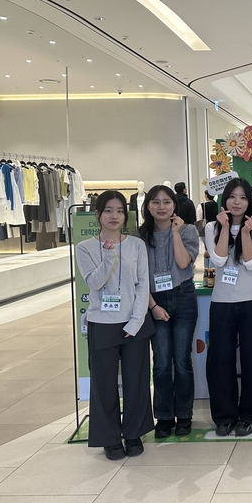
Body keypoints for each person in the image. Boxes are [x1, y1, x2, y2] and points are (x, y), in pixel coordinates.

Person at [75, 190, 154, 460]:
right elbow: (94, 283)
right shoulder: (84, 248)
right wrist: (109, 257)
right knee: (104, 385)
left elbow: (143, 285)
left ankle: (134, 433)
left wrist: (136, 320)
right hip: (102, 323)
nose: (114, 216)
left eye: (120, 211)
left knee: (137, 382)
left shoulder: (136, 245)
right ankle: (109, 438)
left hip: (134, 323)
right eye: (108, 210)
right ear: (98, 214)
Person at [205, 178, 252, 436]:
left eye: (243, 197)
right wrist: (225, 229)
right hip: (222, 302)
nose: (237, 202)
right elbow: (219, 260)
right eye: (232, 196)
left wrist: (244, 233)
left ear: (249, 201)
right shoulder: (212, 227)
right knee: (220, 360)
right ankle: (225, 416)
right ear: (225, 199)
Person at [135, 185, 199, 439]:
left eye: (166, 202)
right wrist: (153, 306)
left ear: (174, 205)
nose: (161, 207)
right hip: (154, 300)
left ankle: (184, 414)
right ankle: (163, 415)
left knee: (182, 360)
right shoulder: (139, 237)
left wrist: (174, 232)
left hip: (183, 296)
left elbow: (183, 263)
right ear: (148, 206)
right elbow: (139, 278)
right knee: (161, 362)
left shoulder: (188, 230)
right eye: (155, 202)